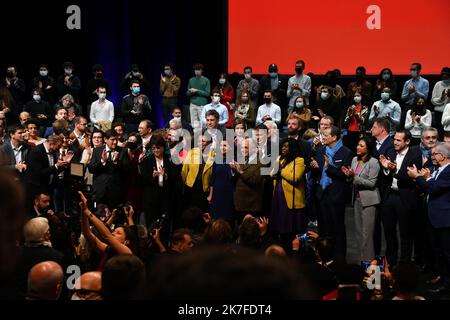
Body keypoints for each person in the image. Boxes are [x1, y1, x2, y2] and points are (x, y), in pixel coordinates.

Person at [408, 142, 450, 294]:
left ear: (443, 156)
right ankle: (442, 276)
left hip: (445, 219)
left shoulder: (448, 171)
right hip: (434, 217)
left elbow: (432, 188)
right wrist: (424, 178)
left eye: (434, 154)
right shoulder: (438, 169)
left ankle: (447, 284)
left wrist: (419, 177)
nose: (431, 157)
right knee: (438, 251)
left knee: (447, 253)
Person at [379, 130, 422, 266]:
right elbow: (384, 175)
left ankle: (404, 264)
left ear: (407, 142)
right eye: (395, 139)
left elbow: (412, 179)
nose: (395, 142)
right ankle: (390, 262)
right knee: (389, 231)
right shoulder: (390, 152)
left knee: (405, 233)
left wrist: (395, 171)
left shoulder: (415, 155)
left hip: (405, 197)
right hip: (390, 195)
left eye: (399, 140)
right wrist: (386, 169)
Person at [311, 126, 352, 262]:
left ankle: (339, 258)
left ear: (334, 137)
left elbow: (345, 175)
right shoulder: (321, 150)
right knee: (324, 228)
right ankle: (323, 256)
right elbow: (318, 171)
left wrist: (329, 169)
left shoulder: (346, 153)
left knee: (338, 229)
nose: (323, 137)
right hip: (322, 194)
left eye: (326, 135)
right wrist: (315, 167)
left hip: (337, 196)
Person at [341, 136, 380, 262]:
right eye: (358, 144)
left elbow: (371, 183)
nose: (358, 147)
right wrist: (348, 176)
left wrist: (354, 177)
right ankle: (360, 261)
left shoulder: (373, 162)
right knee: (358, 233)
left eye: (362, 145)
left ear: (368, 148)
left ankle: (368, 264)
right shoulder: (354, 160)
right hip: (357, 199)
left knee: (367, 235)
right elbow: (352, 180)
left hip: (369, 201)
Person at [79, 192, 137, 268]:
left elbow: (107, 235)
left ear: (126, 241)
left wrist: (88, 212)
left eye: (118, 233)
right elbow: (87, 233)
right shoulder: (109, 250)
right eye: (114, 231)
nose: (113, 233)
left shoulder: (127, 253)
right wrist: (83, 212)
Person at [269, 138, 306, 250]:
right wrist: (278, 170)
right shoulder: (279, 159)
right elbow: (271, 173)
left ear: (292, 148)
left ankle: (293, 250)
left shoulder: (299, 160)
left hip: (291, 198)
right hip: (278, 197)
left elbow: (295, 177)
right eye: (282, 146)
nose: (283, 148)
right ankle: (282, 248)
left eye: (286, 146)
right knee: (279, 226)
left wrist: (280, 171)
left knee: (291, 228)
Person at [138, 135, 176, 229]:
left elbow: (176, 178)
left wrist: (165, 175)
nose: (156, 150)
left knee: (165, 226)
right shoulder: (147, 160)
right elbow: (142, 180)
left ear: (163, 147)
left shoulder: (170, 159)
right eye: (154, 148)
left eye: (158, 148)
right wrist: (152, 176)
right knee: (151, 226)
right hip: (151, 199)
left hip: (166, 198)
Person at [88, 129, 130, 209]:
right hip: (100, 191)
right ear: (105, 139)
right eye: (112, 139)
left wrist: (116, 162)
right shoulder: (97, 151)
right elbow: (91, 169)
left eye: (116, 139)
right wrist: (102, 161)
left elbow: (127, 170)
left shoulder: (123, 151)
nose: (115, 142)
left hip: (116, 193)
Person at [232, 137, 265, 219]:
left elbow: (255, 180)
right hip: (239, 203)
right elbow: (235, 180)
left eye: (246, 147)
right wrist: (233, 171)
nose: (243, 150)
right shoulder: (241, 159)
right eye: (242, 147)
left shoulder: (262, 163)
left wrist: (240, 171)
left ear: (255, 149)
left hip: (251, 205)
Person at [181, 134, 214, 212]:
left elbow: (213, 175)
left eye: (203, 141)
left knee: (203, 211)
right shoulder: (192, 152)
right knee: (190, 211)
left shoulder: (213, 154)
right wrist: (183, 185)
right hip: (191, 187)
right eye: (199, 141)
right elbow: (184, 170)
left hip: (204, 188)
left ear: (209, 142)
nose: (200, 143)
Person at [207, 140, 235, 222]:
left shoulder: (234, 160)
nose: (222, 147)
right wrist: (210, 195)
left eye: (225, 145)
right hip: (216, 193)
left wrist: (234, 169)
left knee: (227, 218)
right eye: (221, 145)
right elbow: (213, 178)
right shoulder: (216, 160)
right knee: (215, 218)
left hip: (228, 193)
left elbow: (235, 178)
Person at [187, 63, 211, 130]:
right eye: (195, 70)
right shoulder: (191, 80)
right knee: (194, 123)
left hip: (202, 104)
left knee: (203, 123)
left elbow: (207, 93)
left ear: (202, 70)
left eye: (198, 70)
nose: (197, 71)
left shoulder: (206, 80)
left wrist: (197, 91)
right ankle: (196, 137)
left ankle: (203, 137)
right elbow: (187, 93)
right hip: (193, 104)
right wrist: (190, 92)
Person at [431, 67, 450, 138]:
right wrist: (441, 98)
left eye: (446, 74)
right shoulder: (438, 84)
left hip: (449, 113)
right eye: (443, 74)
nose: (444, 76)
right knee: (440, 130)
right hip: (439, 112)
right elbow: (433, 101)